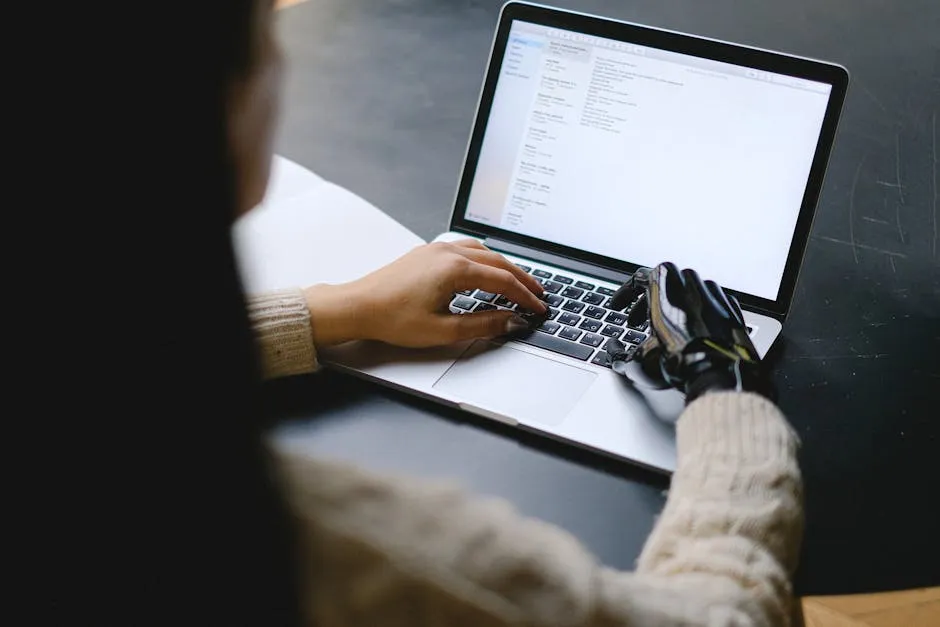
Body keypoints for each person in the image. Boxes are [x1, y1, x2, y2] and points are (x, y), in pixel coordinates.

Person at [51, 0, 802, 624]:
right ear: (223, 113)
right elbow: (721, 613)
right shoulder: (349, 557)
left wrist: (338, 309)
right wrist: (723, 387)